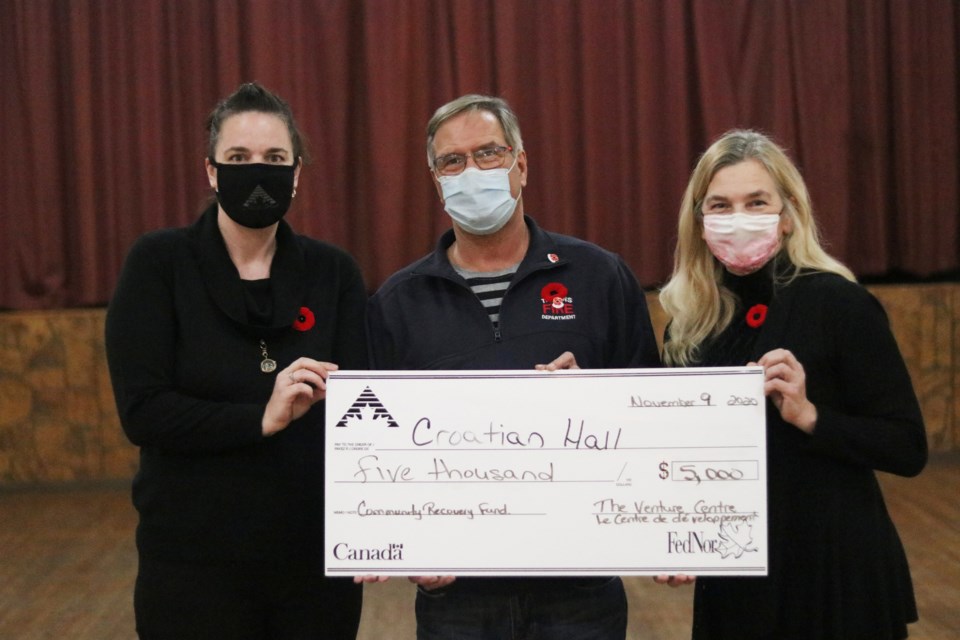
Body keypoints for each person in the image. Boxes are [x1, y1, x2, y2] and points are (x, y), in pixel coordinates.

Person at [363, 94, 661, 639]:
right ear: (436, 181)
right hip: (456, 597)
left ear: (521, 165)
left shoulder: (599, 277)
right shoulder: (397, 303)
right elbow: (373, 447)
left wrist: (596, 402)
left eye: (488, 154)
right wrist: (401, 542)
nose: (470, 172)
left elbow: (655, 419)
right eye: (452, 162)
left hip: (580, 590)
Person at [105, 82, 366, 639]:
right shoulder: (159, 264)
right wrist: (260, 418)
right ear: (210, 171)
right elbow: (143, 412)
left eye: (275, 159)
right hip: (192, 564)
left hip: (313, 564)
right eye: (239, 159)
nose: (258, 172)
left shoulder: (333, 272)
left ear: (296, 172)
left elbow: (363, 412)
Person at [656, 129, 928, 639]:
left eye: (756, 202)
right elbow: (675, 453)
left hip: (836, 572)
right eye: (721, 204)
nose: (738, 217)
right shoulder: (688, 323)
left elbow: (907, 447)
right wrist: (674, 538)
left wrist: (810, 415)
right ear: (699, 220)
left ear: (786, 214)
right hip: (737, 576)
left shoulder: (838, 302)